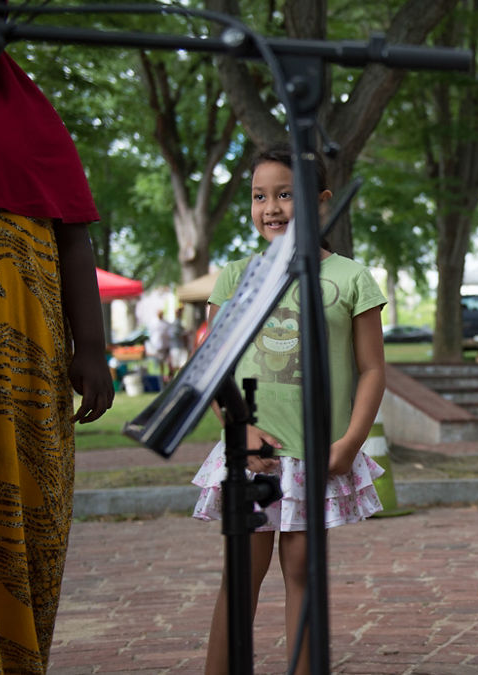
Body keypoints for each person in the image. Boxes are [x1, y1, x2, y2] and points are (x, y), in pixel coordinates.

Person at [0, 6, 115, 672]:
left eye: (1, 12)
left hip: (29, 375)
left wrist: (92, 347)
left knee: (23, 521)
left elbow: (74, 234)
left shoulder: (31, 112)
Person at [191, 147, 387, 674]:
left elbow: (372, 369)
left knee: (302, 571)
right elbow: (210, 368)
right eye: (260, 196)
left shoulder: (350, 278)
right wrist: (240, 429)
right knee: (241, 577)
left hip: (317, 453)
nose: (271, 207)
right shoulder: (237, 277)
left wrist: (350, 442)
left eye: (285, 194)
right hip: (252, 452)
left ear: (321, 203)